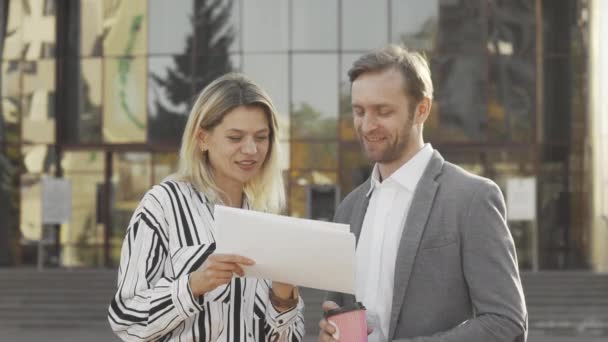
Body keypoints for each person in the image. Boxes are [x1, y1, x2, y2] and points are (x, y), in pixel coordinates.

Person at [318, 45, 527, 341]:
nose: (367, 125)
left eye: (383, 111)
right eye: (359, 111)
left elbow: (506, 323)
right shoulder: (349, 208)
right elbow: (336, 310)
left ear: (422, 110)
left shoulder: (472, 199)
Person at [108, 73, 305, 341]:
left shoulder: (267, 220)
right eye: (235, 138)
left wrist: (283, 297)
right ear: (202, 138)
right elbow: (126, 320)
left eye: (261, 137)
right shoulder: (163, 205)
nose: (251, 149)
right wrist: (192, 286)